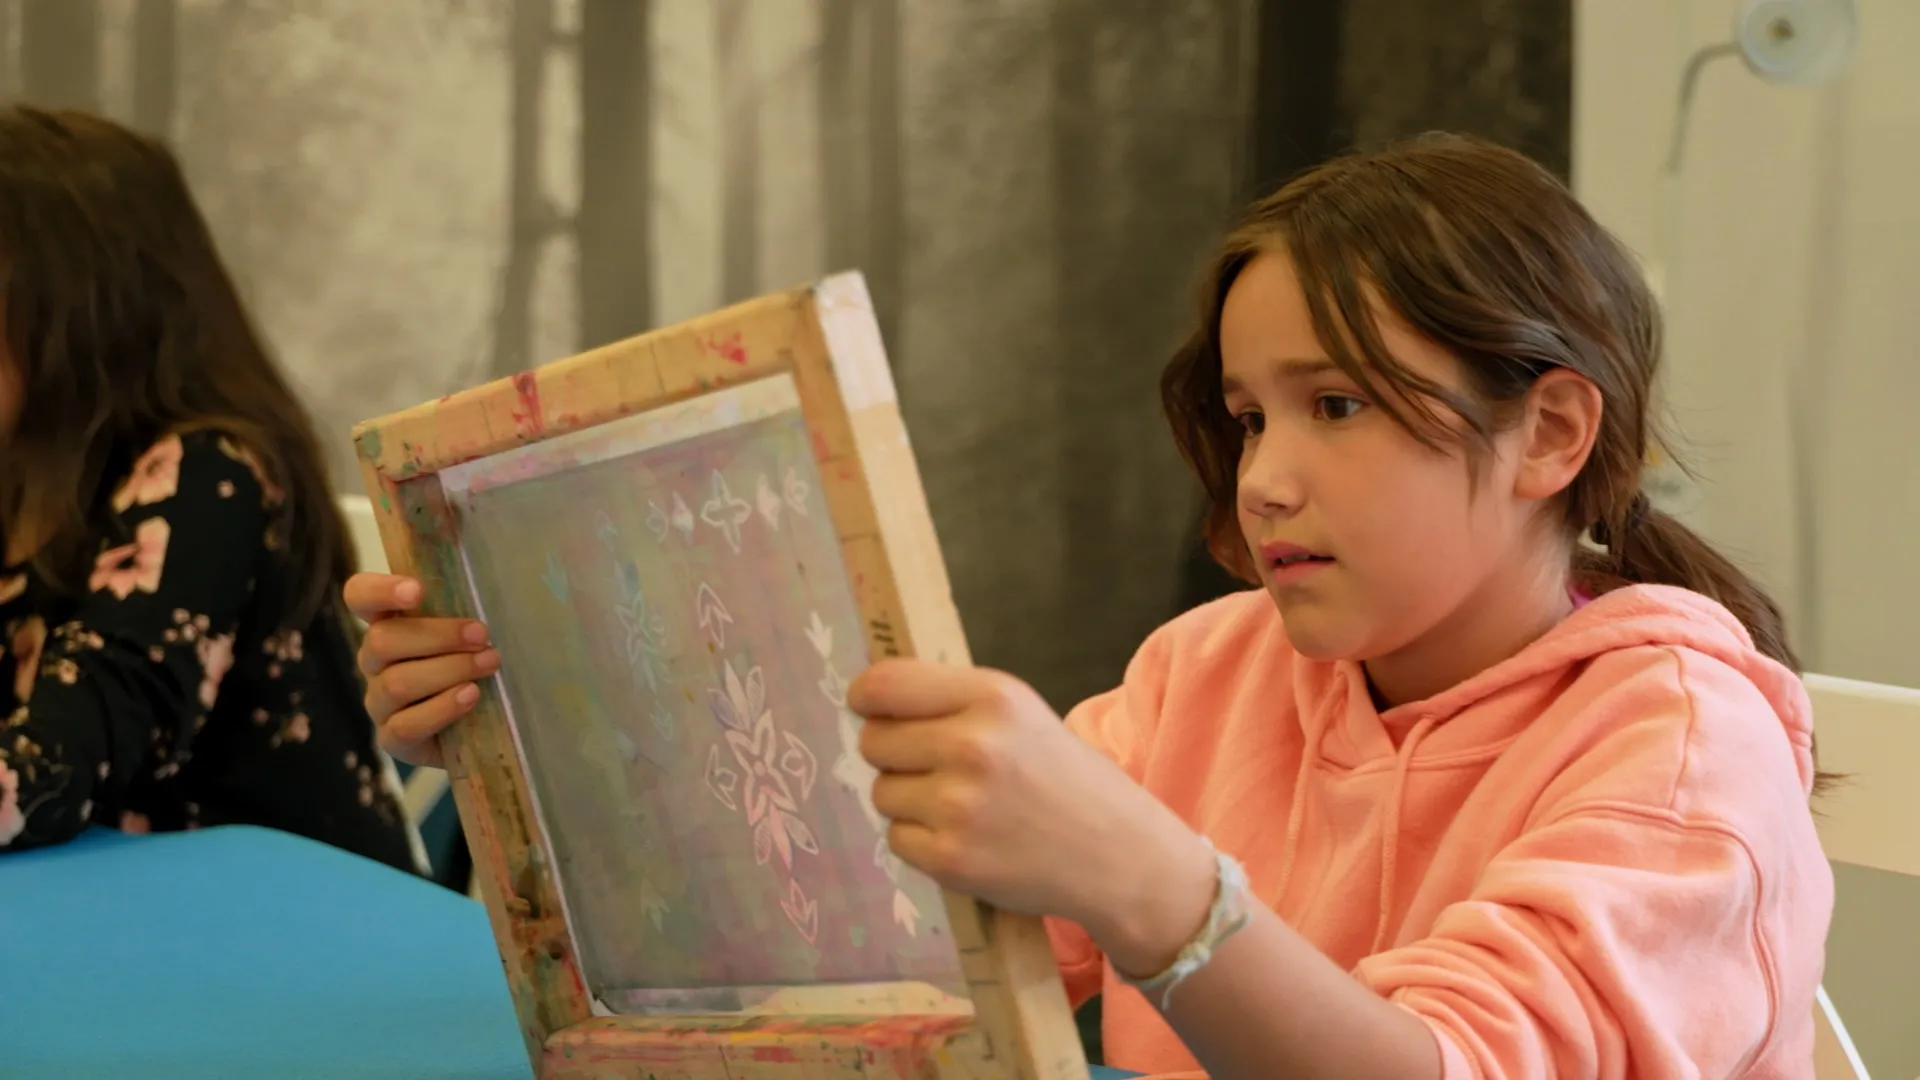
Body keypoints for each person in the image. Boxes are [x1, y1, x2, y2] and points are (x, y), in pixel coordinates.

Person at [347, 134, 1832, 1078]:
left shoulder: (1680, 748)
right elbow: (900, 957)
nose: (1266, 479)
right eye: (1249, 417)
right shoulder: (1212, 667)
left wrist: (1157, 889)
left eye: (1335, 404)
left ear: (1552, 434)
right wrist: (537, 731)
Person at [0, 106, 416, 873]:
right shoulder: (20, 478)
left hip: (281, 913)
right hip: (97, 901)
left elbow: (54, 768)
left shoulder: (208, 472)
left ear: (78, 308)